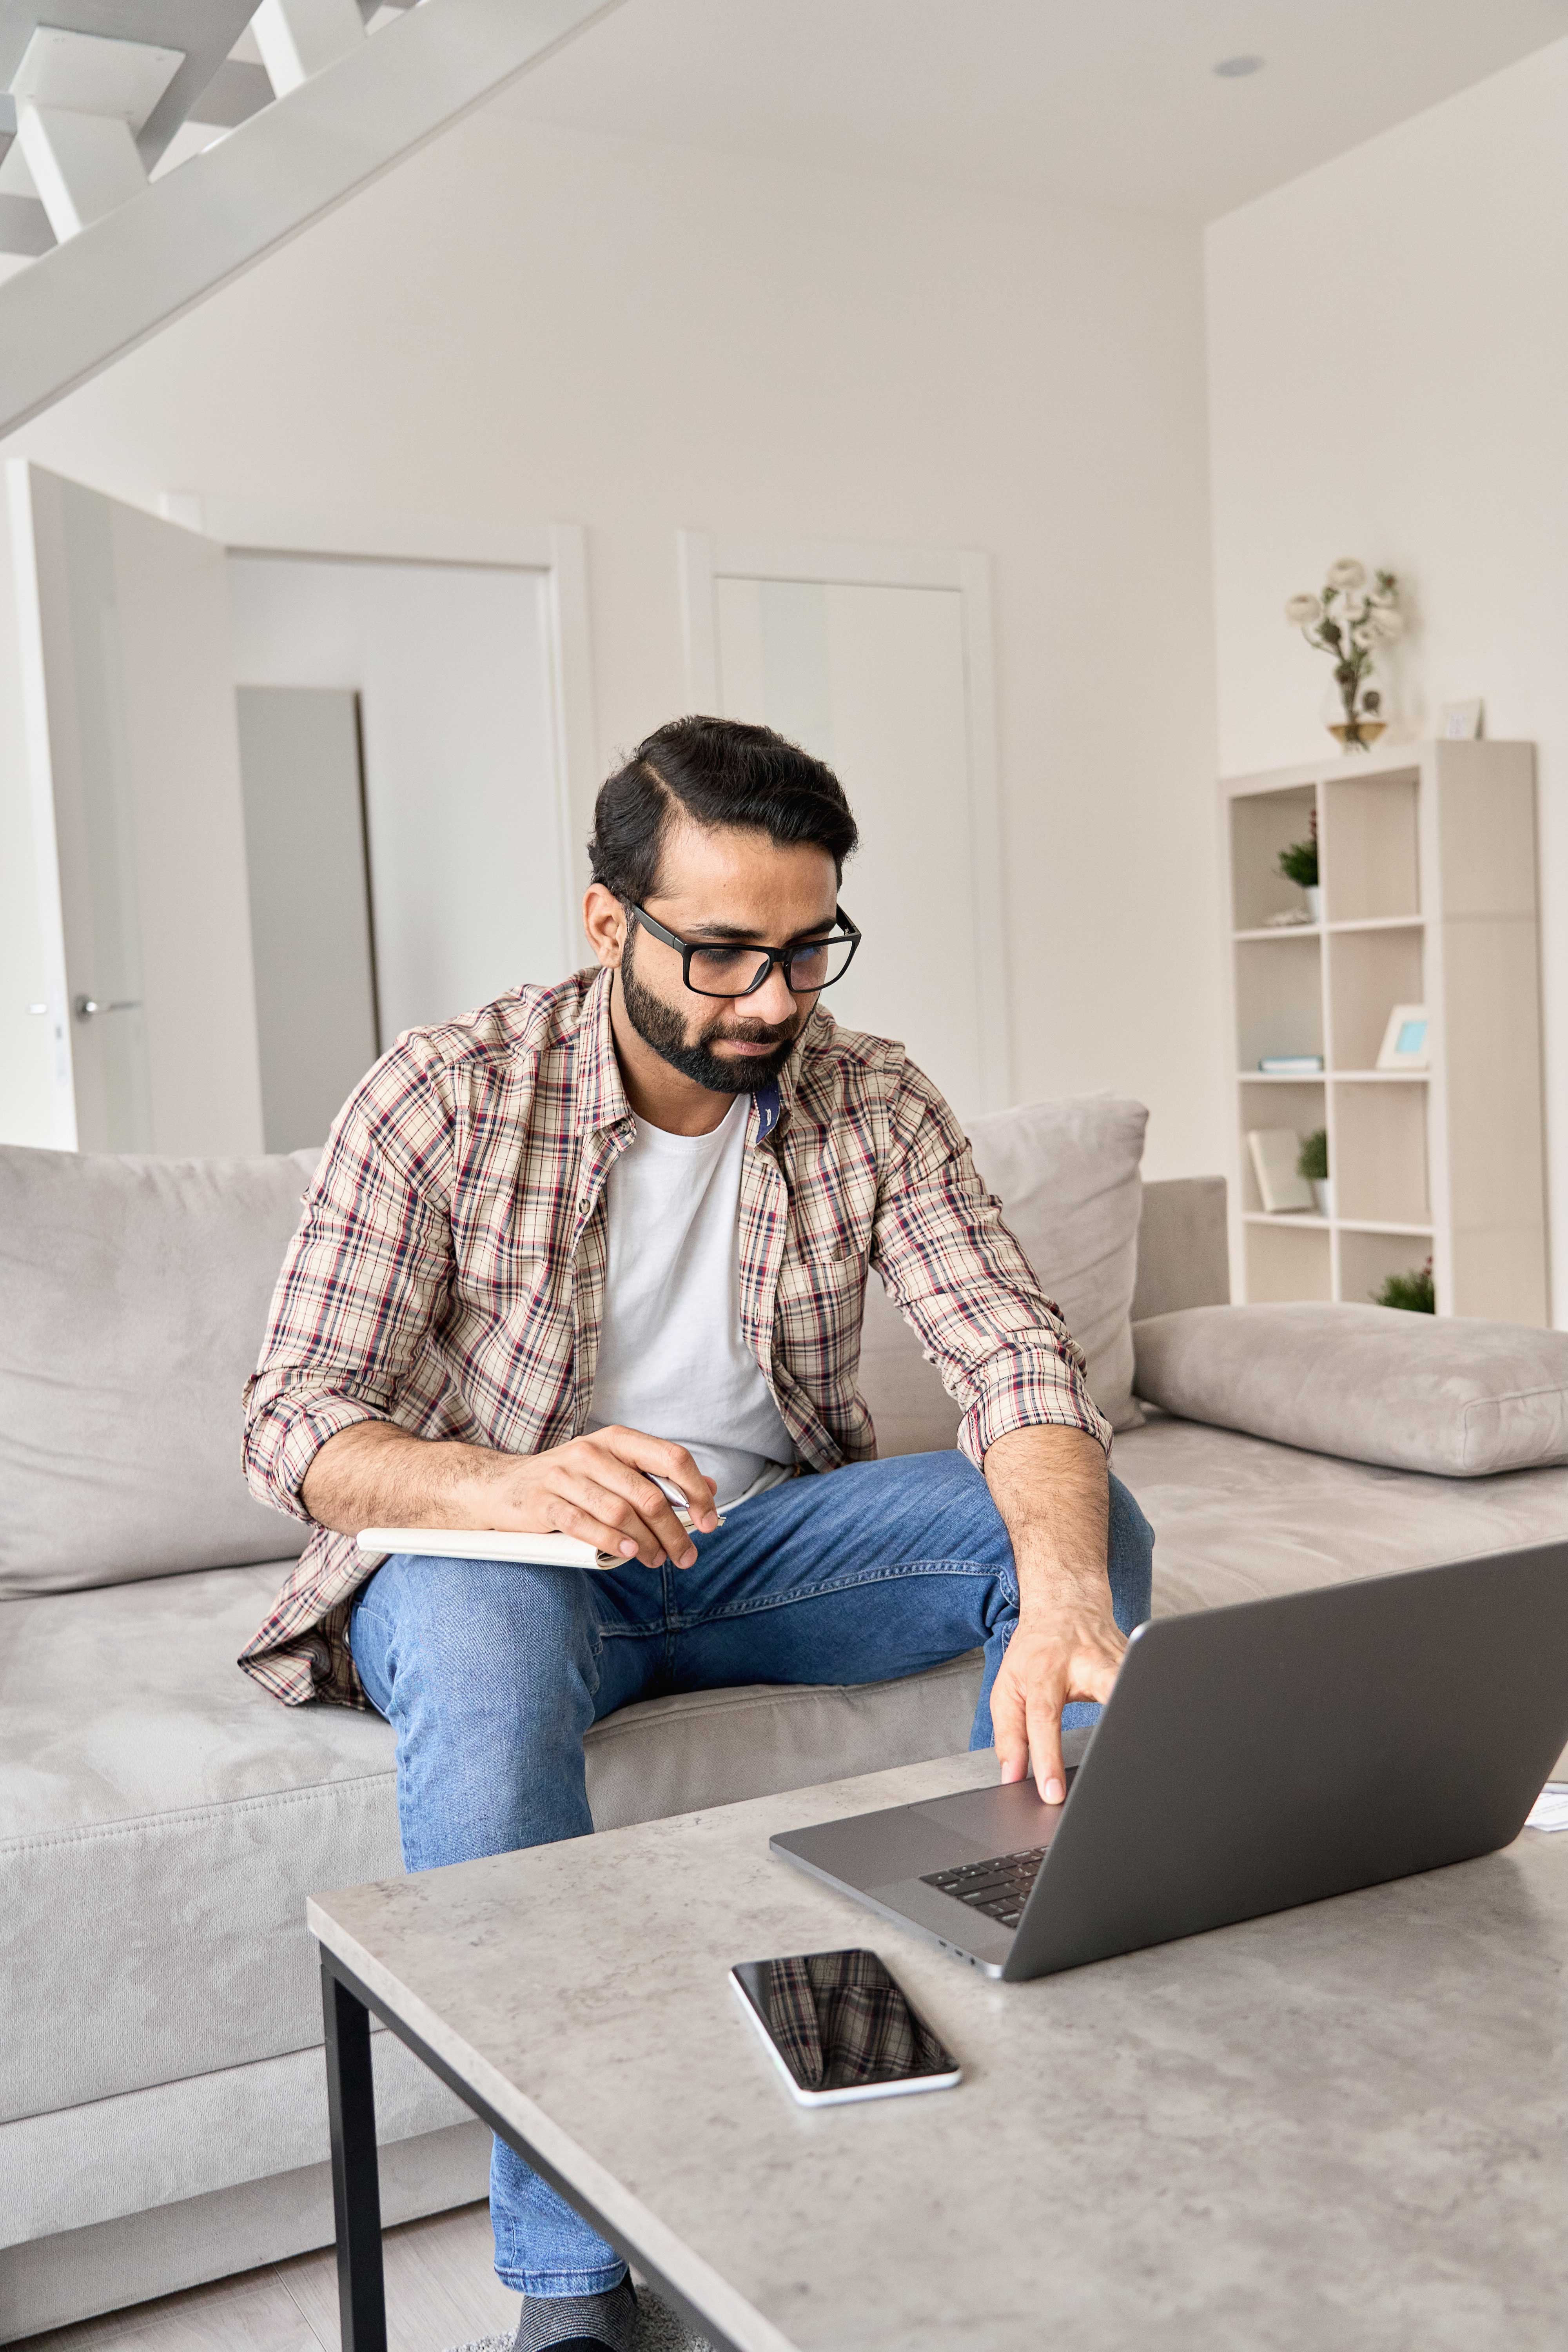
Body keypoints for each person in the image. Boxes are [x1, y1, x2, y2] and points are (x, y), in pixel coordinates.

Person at [242, 715, 1153, 2352]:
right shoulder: (447, 1093)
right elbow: (292, 1421)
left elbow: (1014, 1357)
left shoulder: (867, 1095)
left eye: (809, 952)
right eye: (724, 955)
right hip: (498, 1561)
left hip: (762, 1551)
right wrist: (498, 1487)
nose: (773, 1001)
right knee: (486, 1649)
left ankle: (987, 2051)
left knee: (1074, 1532)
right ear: (612, 925)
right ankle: (570, 2291)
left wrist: (1065, 1582)